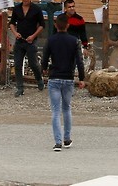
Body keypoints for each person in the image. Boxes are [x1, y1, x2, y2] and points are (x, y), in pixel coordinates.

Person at [42, 13, 86, 152]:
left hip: (54, 77)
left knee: (55, 111)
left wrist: (43, 69)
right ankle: (67, 138)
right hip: (68, 78)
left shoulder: (50, 40)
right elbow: (80, 61)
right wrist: (82, 78)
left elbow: (44, 58)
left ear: (56, 25)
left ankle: (58, 142)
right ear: (68, 25)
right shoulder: (74, 41)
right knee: (66, 108)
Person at [10, 0, 46, 95]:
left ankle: (39, 80)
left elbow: (42, 25)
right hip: (20, 40)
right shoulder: (17, 9)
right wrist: (15, 33)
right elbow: (11, 23)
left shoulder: (36, 9)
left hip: (31, 41)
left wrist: (33, 36)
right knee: (17, 64)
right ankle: (20, 87)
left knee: (33, 63)